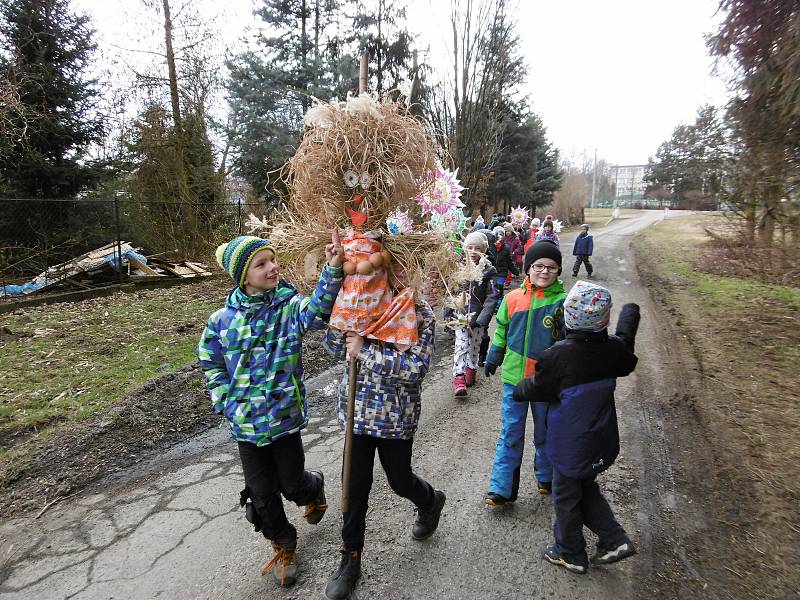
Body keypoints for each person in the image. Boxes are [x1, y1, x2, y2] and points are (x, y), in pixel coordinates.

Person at [197, 233, 345, 587]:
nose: (272, 267)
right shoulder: (222, 320)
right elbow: (210, 360)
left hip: (283, 420)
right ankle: (284, 544)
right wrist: (224, 399)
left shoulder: (288, 308)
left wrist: (333, 268)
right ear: (243, 275)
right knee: (262, 498)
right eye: (261, 263)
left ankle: (313, 489)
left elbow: (317, 309)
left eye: (272, 260)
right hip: (245, 426)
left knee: (292, 485)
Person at [322, 290, 446, 600]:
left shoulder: (418, 310)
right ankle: (350, 558)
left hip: (395, 416)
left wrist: (365, 351)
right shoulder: (357, 300)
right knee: (353, 486)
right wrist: (340, 326)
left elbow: (415, 368)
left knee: (400, 480)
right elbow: (335, 349)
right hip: (357, 413)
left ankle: (430, 501)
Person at [513, 281, 640, 574]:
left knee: (566, 497)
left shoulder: (559, 355)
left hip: (571, 445)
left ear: (568, 318)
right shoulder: (612, 351)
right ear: (602, 320)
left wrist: (520, 390)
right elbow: (626, 355)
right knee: (585, 486)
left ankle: (569, 551)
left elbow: (540, 387)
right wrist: (629, 316)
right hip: (600, 439)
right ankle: (613, 538)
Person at [483, 241, 567, 506]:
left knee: (545, 433)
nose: (544, 271)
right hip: (514, 381)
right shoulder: (512, 299)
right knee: (511, 432)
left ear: (559, 271)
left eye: (551, 267)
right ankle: (501, 489)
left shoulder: (563, 303)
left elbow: (571, 341)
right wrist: (493, 356)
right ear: (528, 268)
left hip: (546, 383)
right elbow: (501, 331)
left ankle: (546, 477)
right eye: (539, 266)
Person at [453, 231, 500, 396]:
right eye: (470, 247)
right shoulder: (459, 268)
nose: (473, 251)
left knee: (474, 346)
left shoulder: (489, 270)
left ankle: (470, 370)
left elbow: (493, 295)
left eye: (477, 248)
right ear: (465, 248)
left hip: (478, 317)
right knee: (461, 345)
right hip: (460, 315)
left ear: (484, 250)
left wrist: (483, 319)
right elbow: (451, 292)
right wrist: (449, 312)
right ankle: (458, 377)